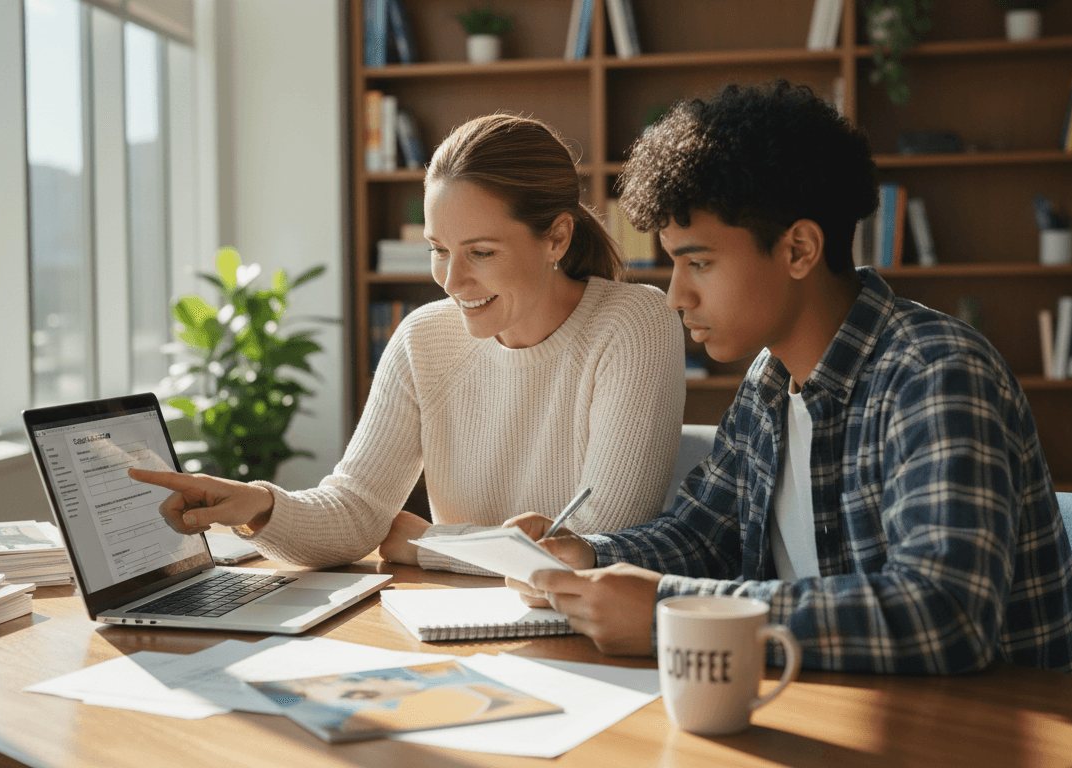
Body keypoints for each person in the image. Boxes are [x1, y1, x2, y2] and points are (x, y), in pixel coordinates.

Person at [505, 81, 1072, 677]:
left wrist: (671, 613)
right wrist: (587, 555)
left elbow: (941, 614)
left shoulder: (935, 375)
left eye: (699, 263)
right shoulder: (770, 380)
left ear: (799, 250)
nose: (676, 297)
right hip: (846, 714)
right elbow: (705, 534)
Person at [129, 114, 685, 572]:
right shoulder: (424, 337)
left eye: (482, 252)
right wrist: (261, 505)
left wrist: (428, 544)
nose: (451, 280)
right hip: (455, 628)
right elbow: (357, 511)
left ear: (556, 236)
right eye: (438, 249)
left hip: (587, 643)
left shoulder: (635, 324)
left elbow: (597, 545)